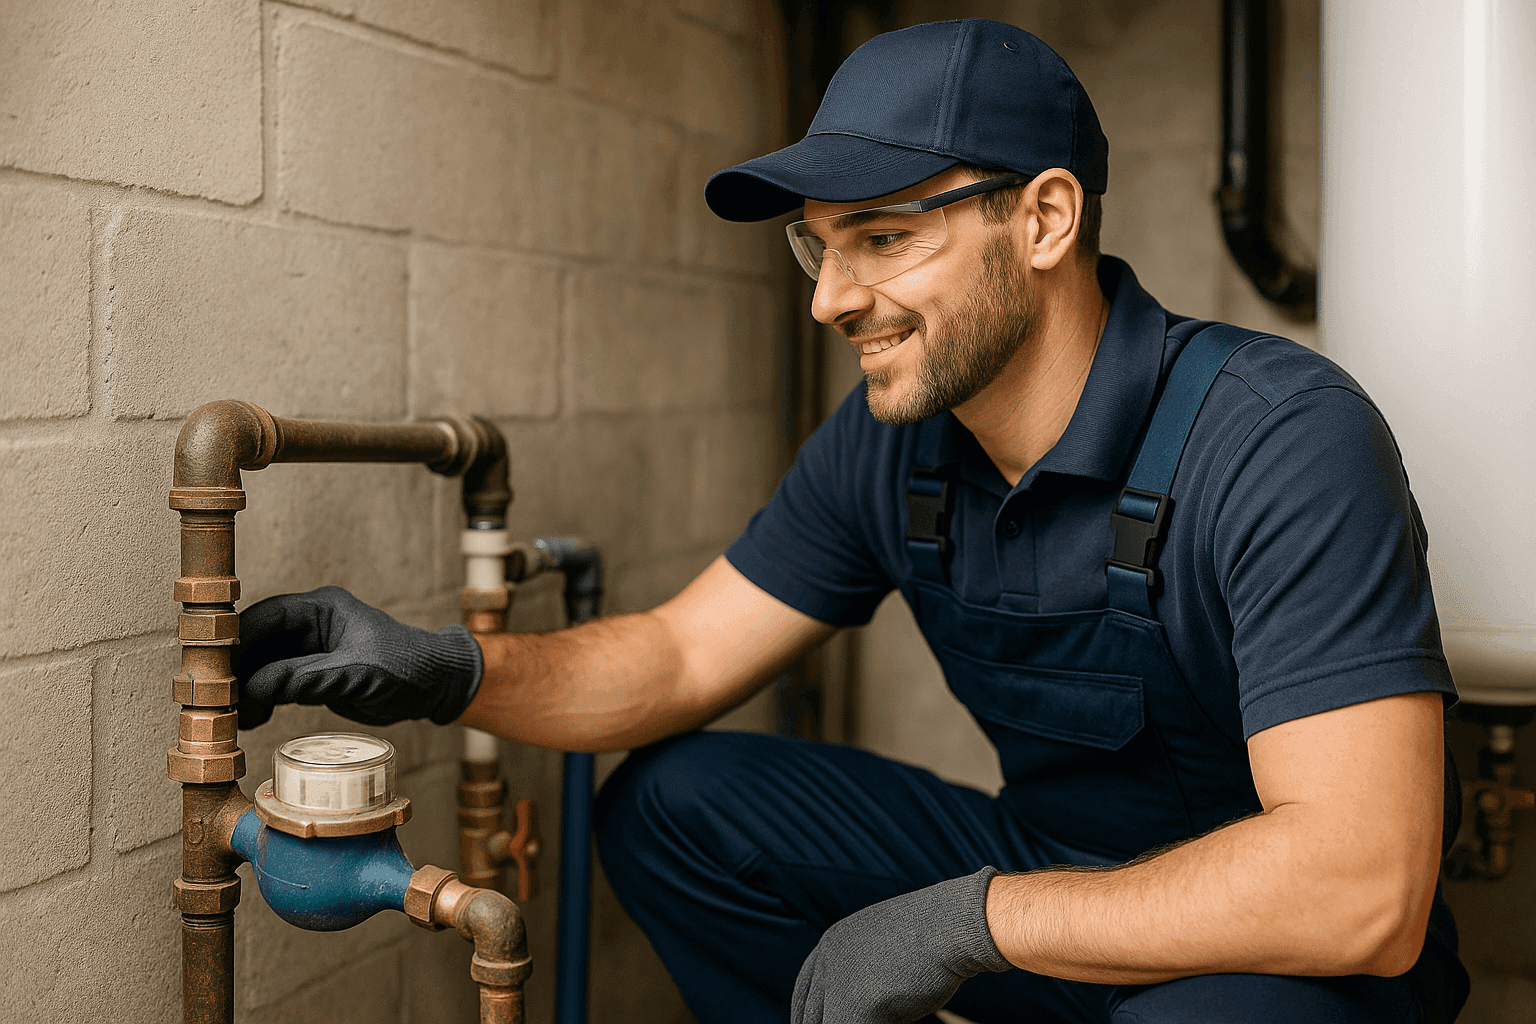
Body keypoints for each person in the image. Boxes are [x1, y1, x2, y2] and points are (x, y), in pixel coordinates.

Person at [234, 18, 1470, 1024]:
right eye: (818, 247)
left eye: (882, 236)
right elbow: (679, 657)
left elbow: (1361, 884)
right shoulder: (899, 442)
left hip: (1287, 962)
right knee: (675, 806)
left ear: (1045, 220)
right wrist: (447, 669)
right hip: (1052, 870)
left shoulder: (1277, 438)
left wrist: (970, 921)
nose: (831, 298)